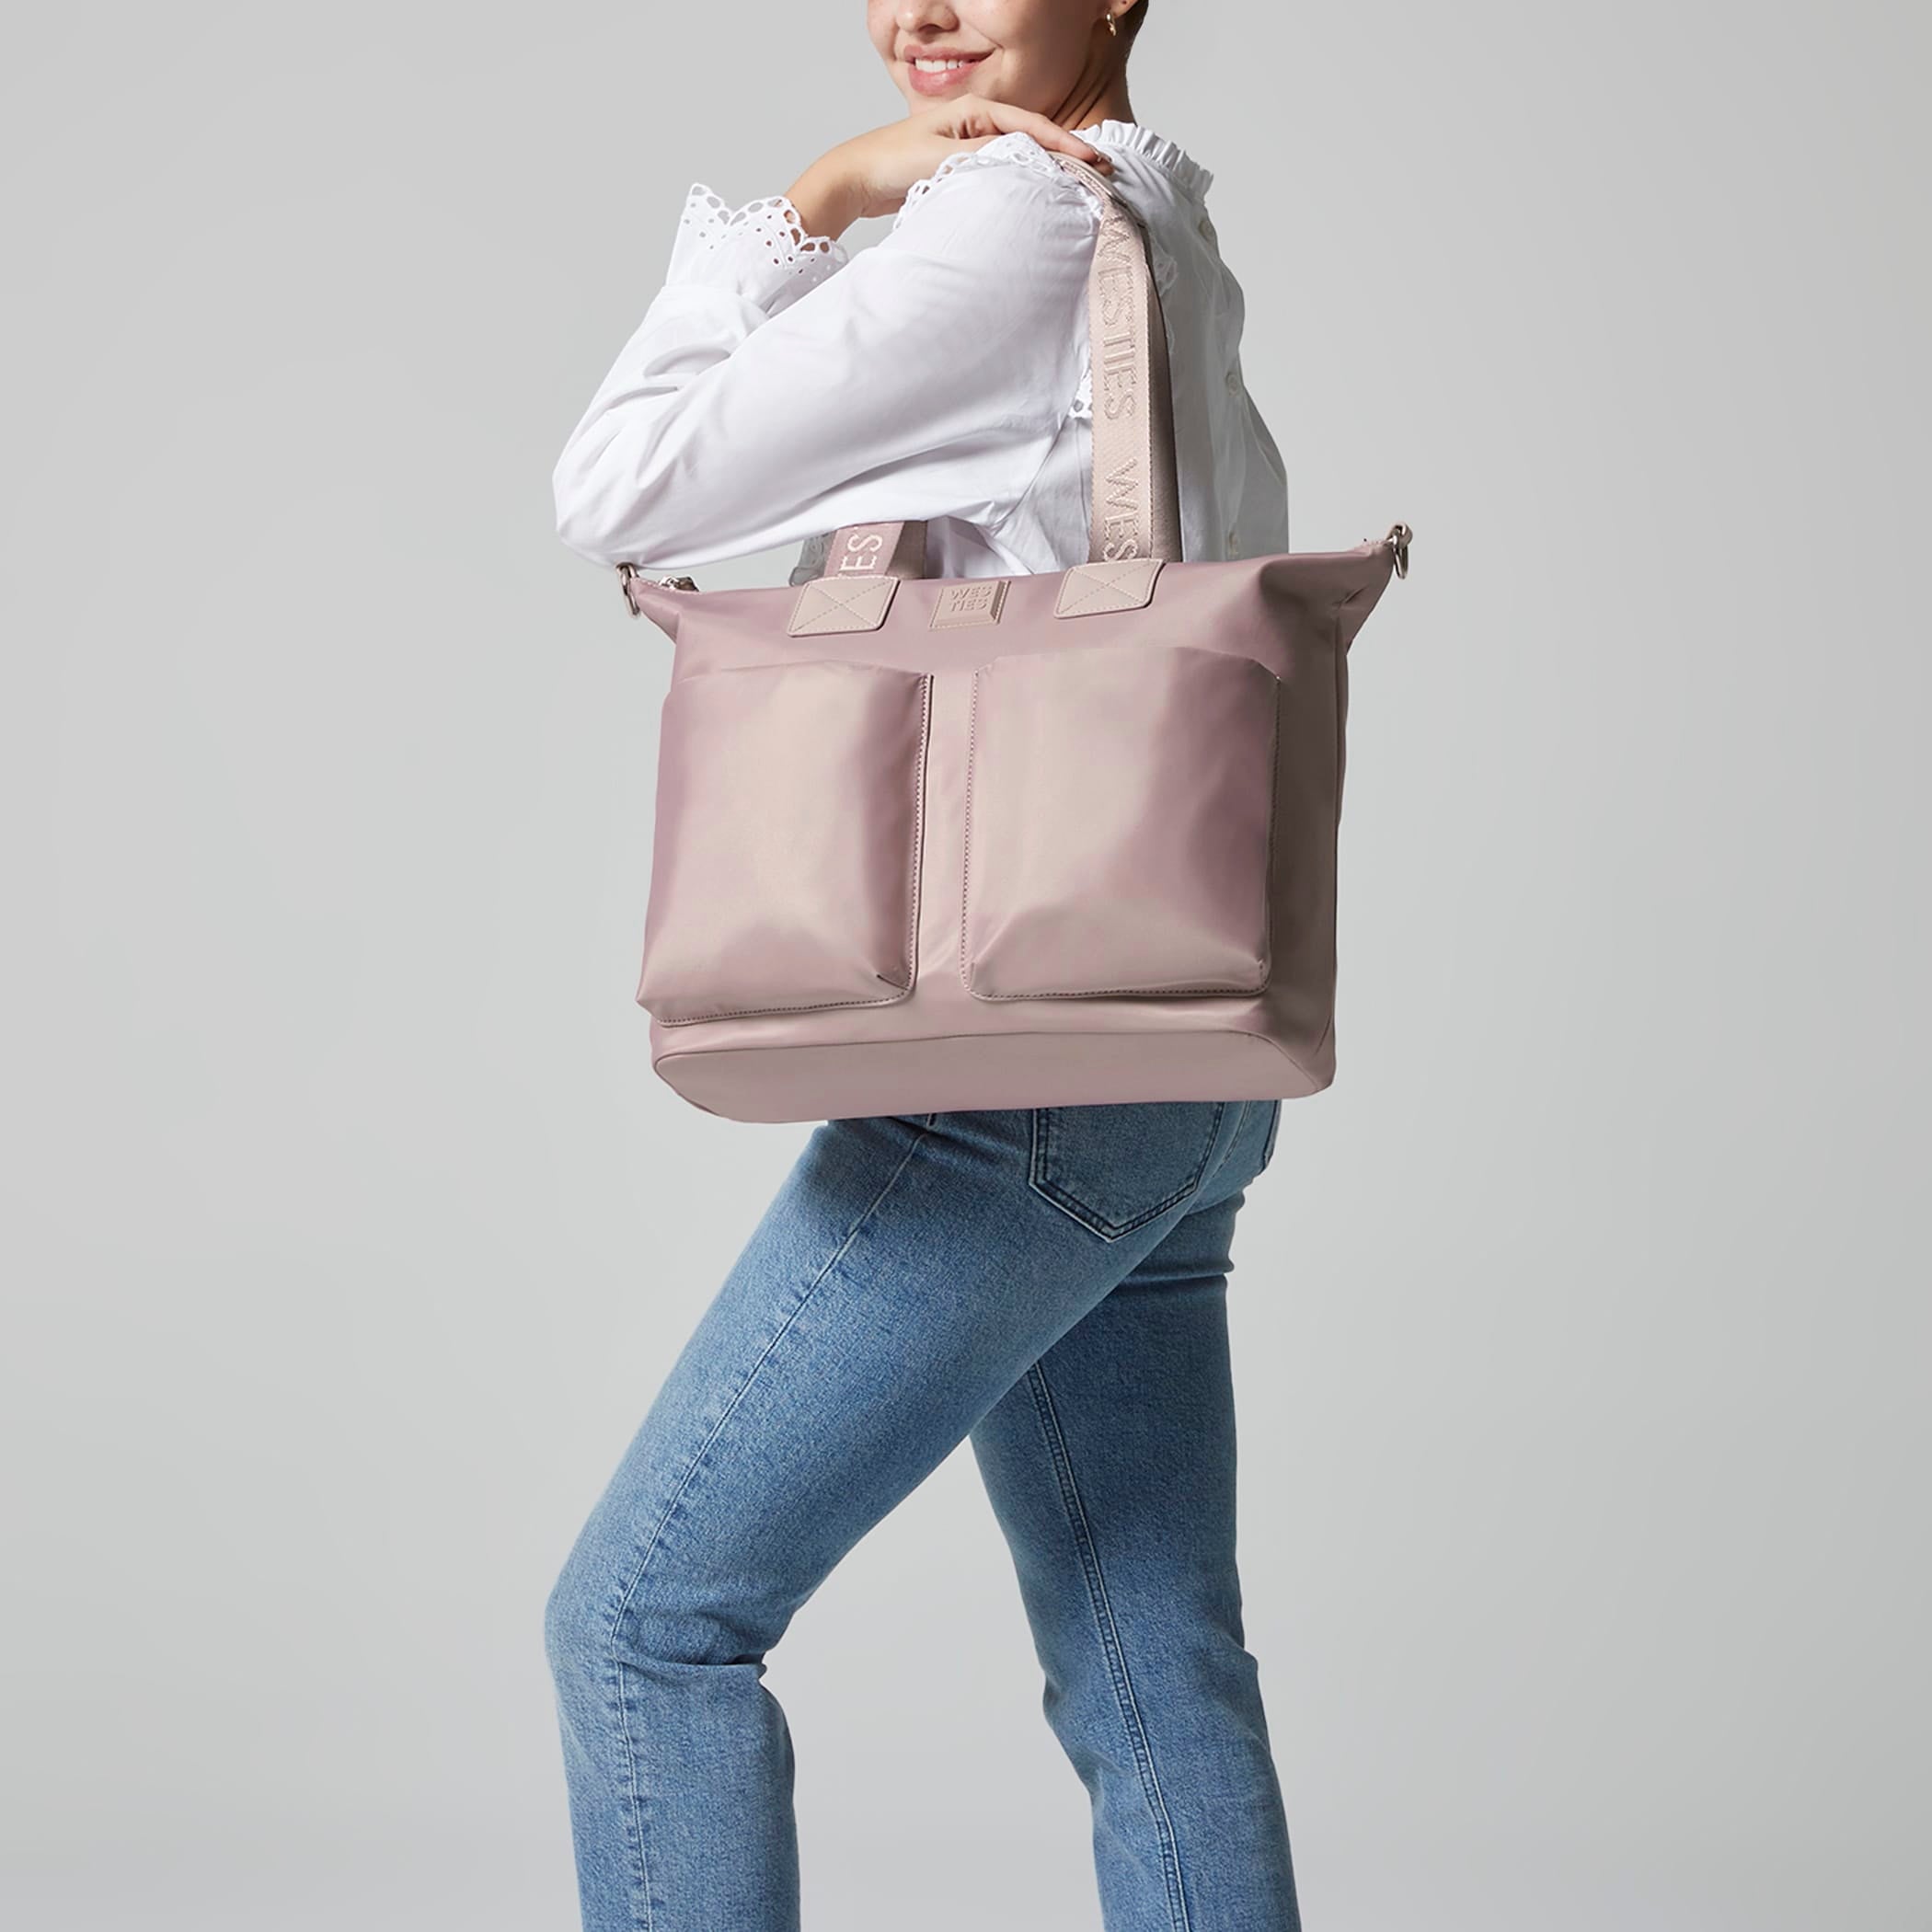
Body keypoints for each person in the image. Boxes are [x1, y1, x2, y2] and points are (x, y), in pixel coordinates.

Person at [544, 6, 1303, 1929]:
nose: (916, 17)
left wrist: (809, 205)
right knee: (1152, 1671)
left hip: (1015, 1081)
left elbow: (619, 487)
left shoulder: (1016, 228)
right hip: (1174, 1072)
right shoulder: (1155, 219)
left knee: (645, 1625)